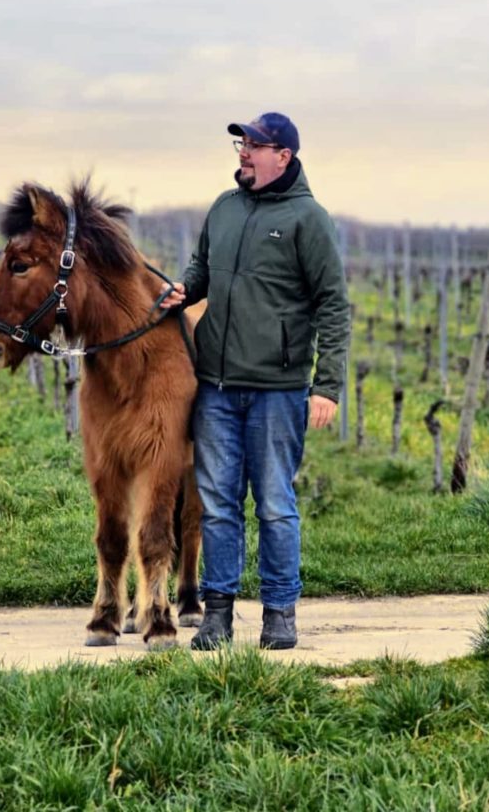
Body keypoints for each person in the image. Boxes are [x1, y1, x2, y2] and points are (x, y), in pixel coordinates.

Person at [161, 112, 350, 650]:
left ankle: (279, 612)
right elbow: (202, 269)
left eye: (254, 145)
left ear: (283, 156)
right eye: (241, 144)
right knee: (217, 505)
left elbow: (333, 304)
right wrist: (183, 289)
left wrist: (326, 385)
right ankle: (217, 615)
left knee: (273, 504)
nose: (243, 152)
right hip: (216, 387)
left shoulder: (308, 219)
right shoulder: (224, 208)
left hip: (277, 388)